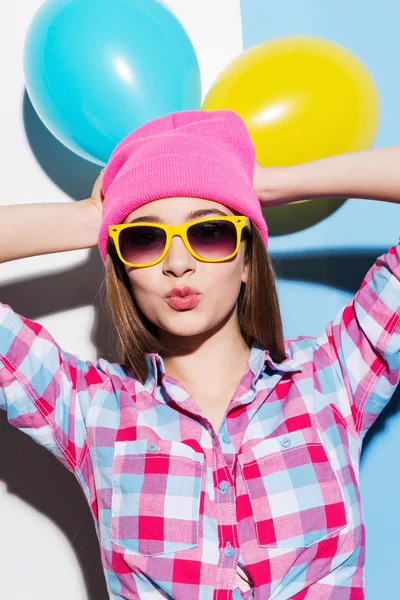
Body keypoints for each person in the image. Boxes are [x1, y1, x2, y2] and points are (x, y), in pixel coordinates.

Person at [0, 108, 399, 600]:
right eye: (144, 240)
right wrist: (91, 219)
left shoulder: (333, 376)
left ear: (249, 259)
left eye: (210, 232)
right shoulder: (89, 408)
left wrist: (266, 185)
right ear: (123, 269)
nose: (178, 264)